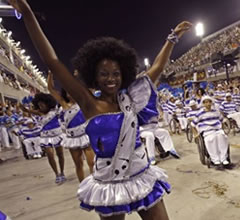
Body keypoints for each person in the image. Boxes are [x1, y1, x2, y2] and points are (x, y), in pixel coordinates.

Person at [11, 0, 191, 218]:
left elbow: (157, 67)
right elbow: (52, 60)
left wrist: (172, 38)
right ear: (93, 76)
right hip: (108, 181)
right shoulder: (88, 102)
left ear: (124, 73)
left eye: (116, 73)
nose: (111, 79)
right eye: (104, 74)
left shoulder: (131, 98)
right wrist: (28, 14)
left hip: (140, 172)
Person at [47, 71, 95, 182]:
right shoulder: (64, 104)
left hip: (85, 135)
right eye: (69, 92)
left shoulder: (83, 101)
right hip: (72, 138)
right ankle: (83, 185)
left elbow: (90, 86)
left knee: (92, 162)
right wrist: (50, 74)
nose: (71, 94)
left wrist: (78, 76)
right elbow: (51, 89)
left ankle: (95, 185)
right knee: (78, 164)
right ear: (66, 94)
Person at [20, 93, 66, 184]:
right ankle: (56, 174)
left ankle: (62, 172)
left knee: (60, 155)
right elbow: (26, 110)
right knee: (50, 155)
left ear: (48, 103)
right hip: (46, 137)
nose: (41, 106)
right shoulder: (39, 113)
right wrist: (21, 106)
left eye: (42, 104)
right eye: (39, 105)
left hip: (57, 135)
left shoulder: (55, 111)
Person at [192, 96, 230, 168]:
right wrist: (196, 134)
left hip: (217, 130)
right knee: (211, 138)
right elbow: (193, 124)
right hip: (207, 131)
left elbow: (222, 120)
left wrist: (223, 129)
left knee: (222, 136)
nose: (208, 104)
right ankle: (215, 159)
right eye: (206, 102)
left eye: (209, 102)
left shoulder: (216, 111)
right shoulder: (200, 113)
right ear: (203, 104)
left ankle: (223, 158)